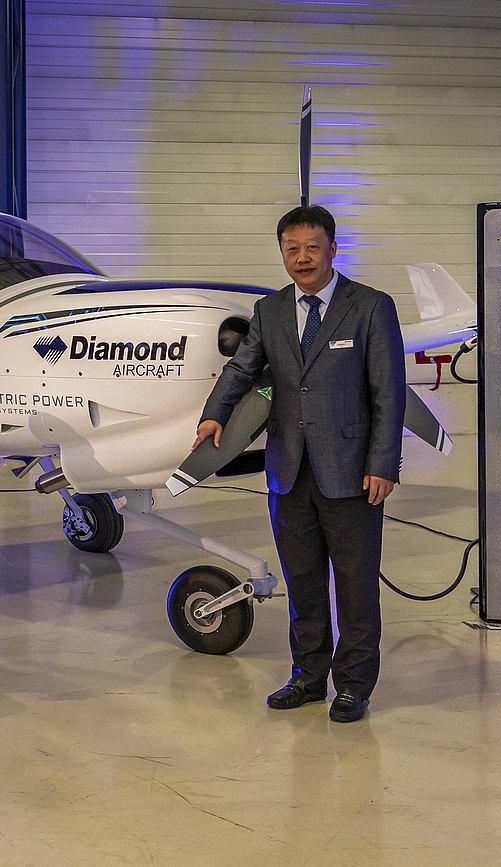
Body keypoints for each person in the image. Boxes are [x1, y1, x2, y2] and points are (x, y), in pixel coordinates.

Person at [193, 205, 404, 724]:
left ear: (333, 248)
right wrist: (214, 414)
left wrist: (383, 462)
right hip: (288, 469)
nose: (302, 258)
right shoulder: (269, 311)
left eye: (313, 247)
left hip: (353, 471)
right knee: (303, 581)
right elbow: (242, 369)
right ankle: (308, 677)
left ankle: (352, 686)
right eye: (292, 249)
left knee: (355, 586)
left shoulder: (370, 306)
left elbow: (389, 392)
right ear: (282, 253)